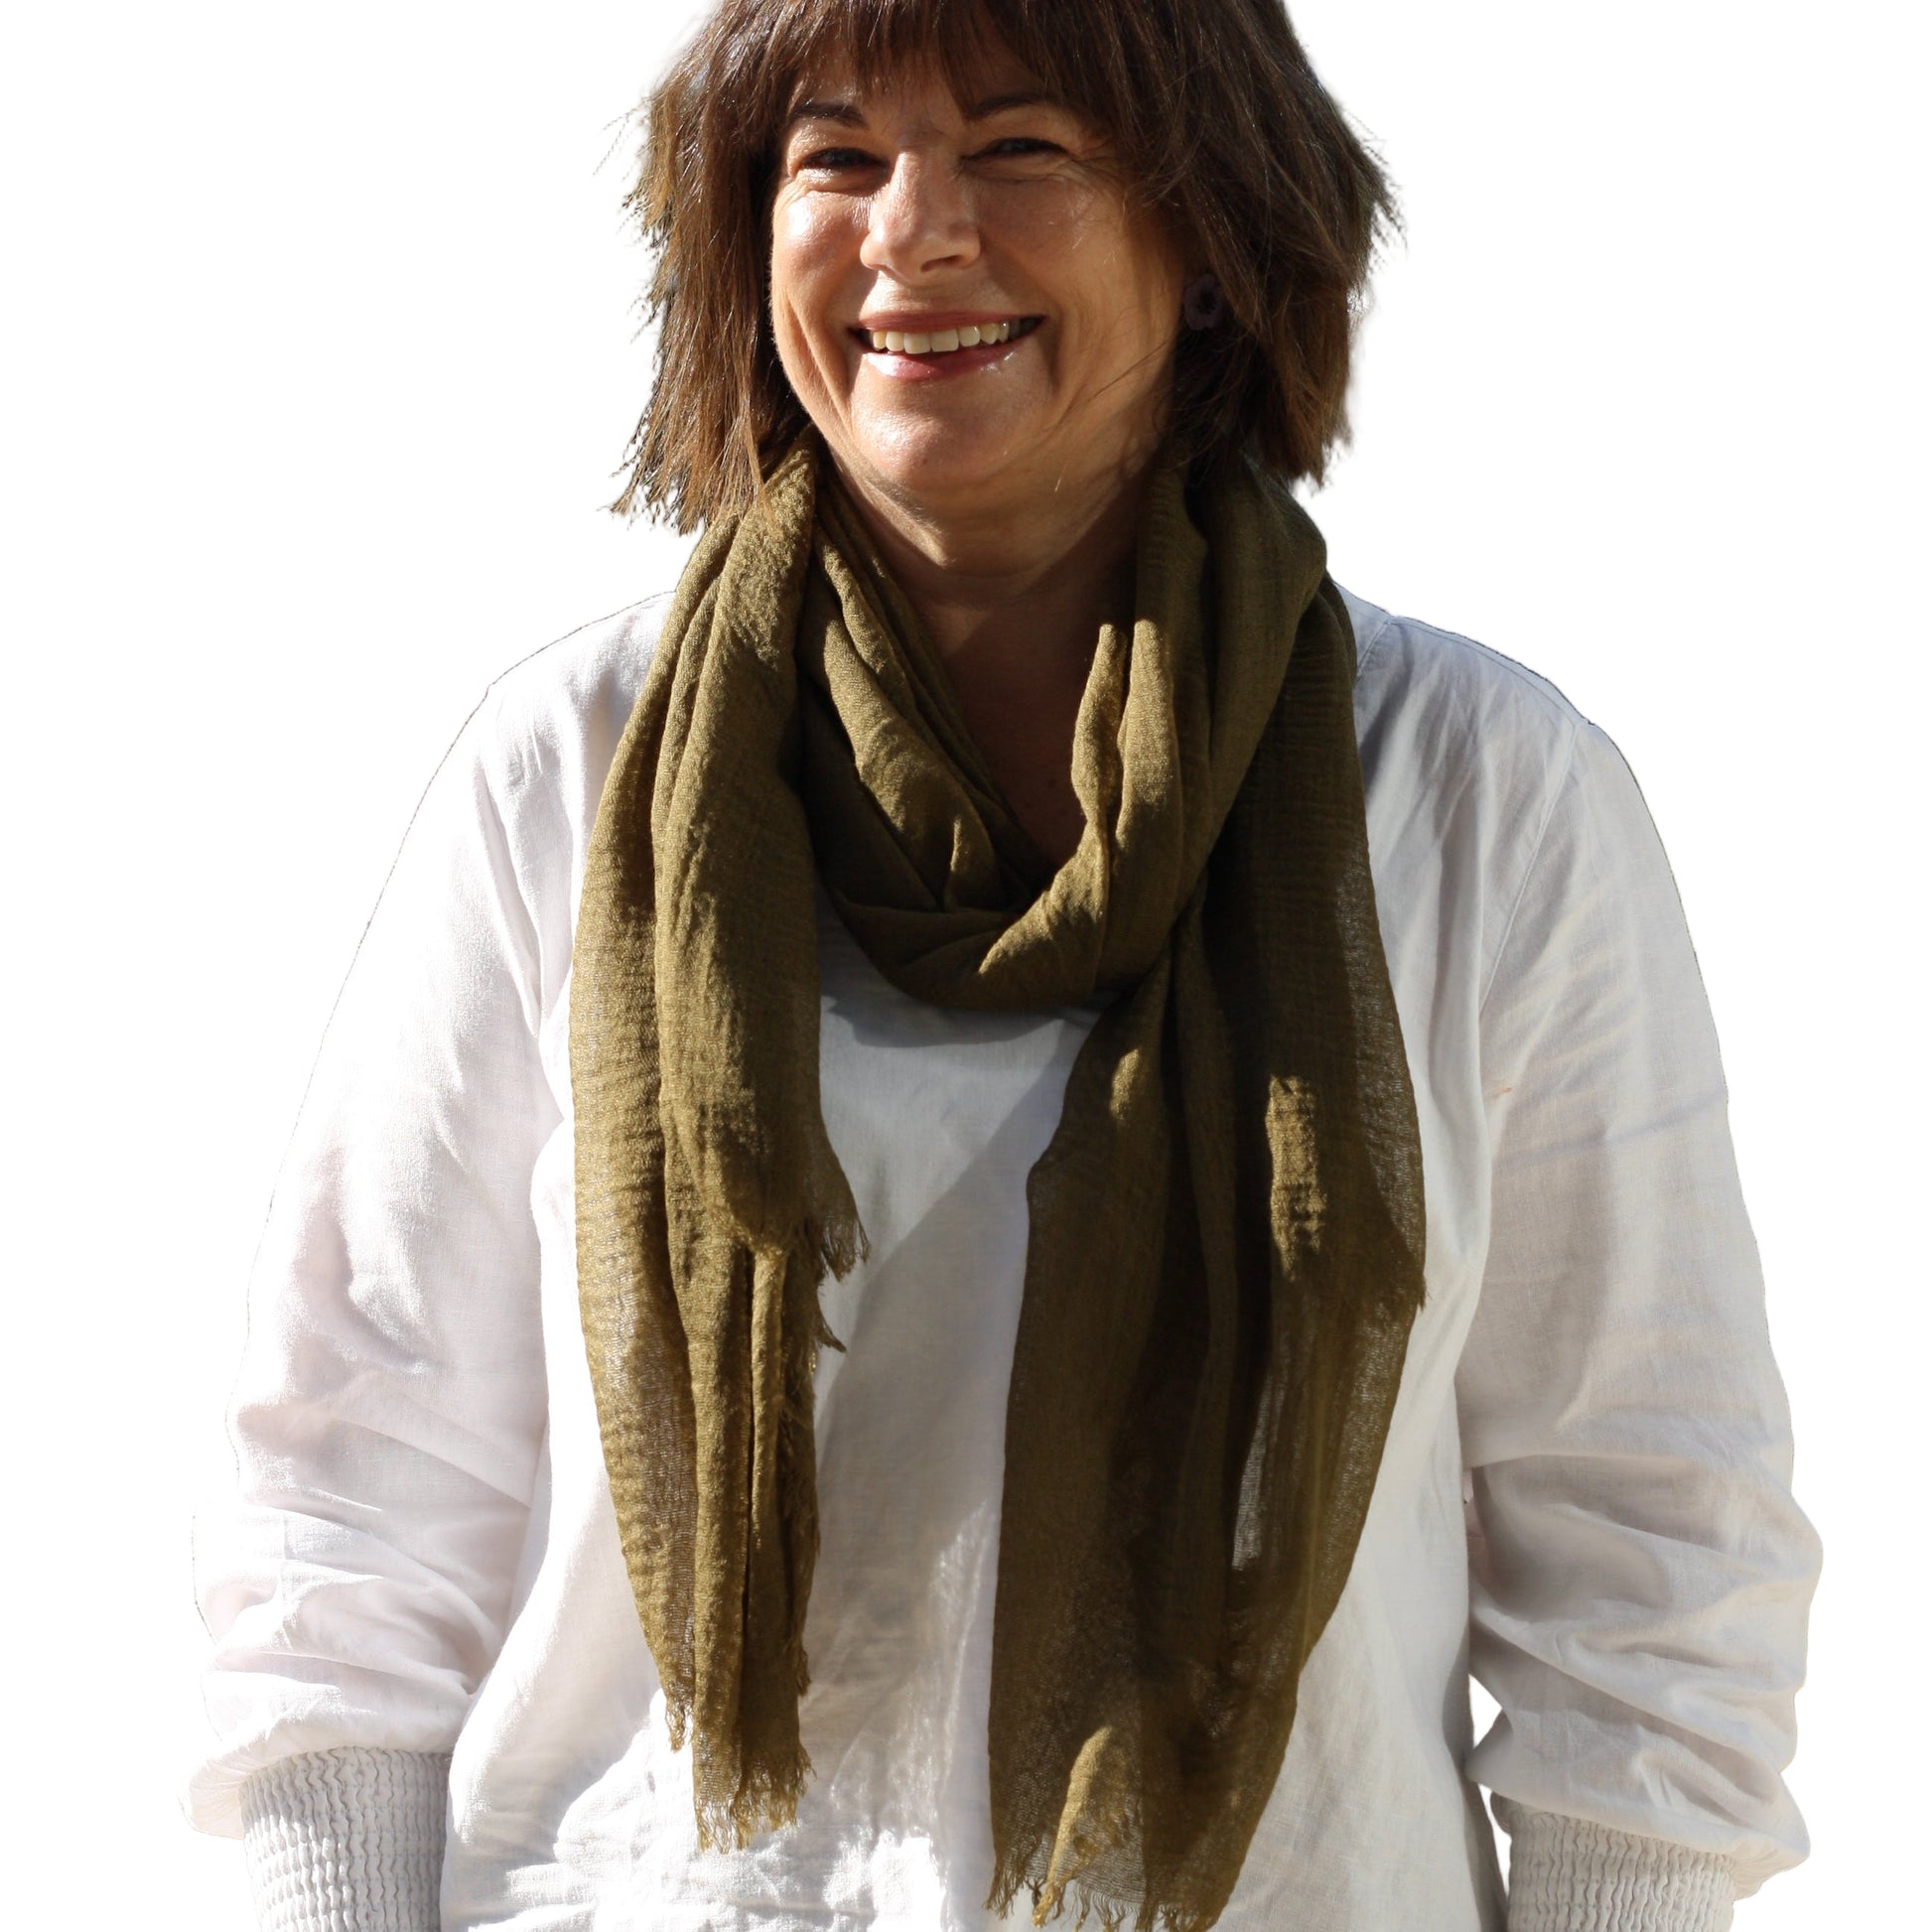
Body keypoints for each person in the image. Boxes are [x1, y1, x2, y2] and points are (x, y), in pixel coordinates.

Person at [184, 1, 1821, 1927]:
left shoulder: (1475, 793)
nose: (912, 230)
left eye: (1021, 148)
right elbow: (346, 1507)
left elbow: (1655, 1540)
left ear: (1209, 239)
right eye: (834, 155)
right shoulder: (575, 771)